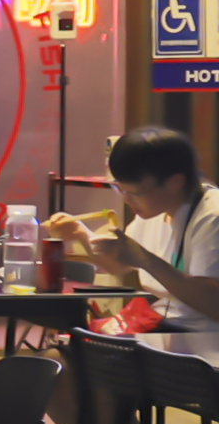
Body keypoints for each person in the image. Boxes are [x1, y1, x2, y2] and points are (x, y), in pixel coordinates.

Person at [52, 126, 219, 354]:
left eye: (134, 193)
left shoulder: (211, 216)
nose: (127, 200)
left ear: (175, 182)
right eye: (120, 189)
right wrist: (80, 234)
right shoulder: (154, 208)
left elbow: (213, 303)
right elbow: (119, 265)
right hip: (164, 328)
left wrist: (145, 259)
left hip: (202, 340)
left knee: (73, 360)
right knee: (61, 353)